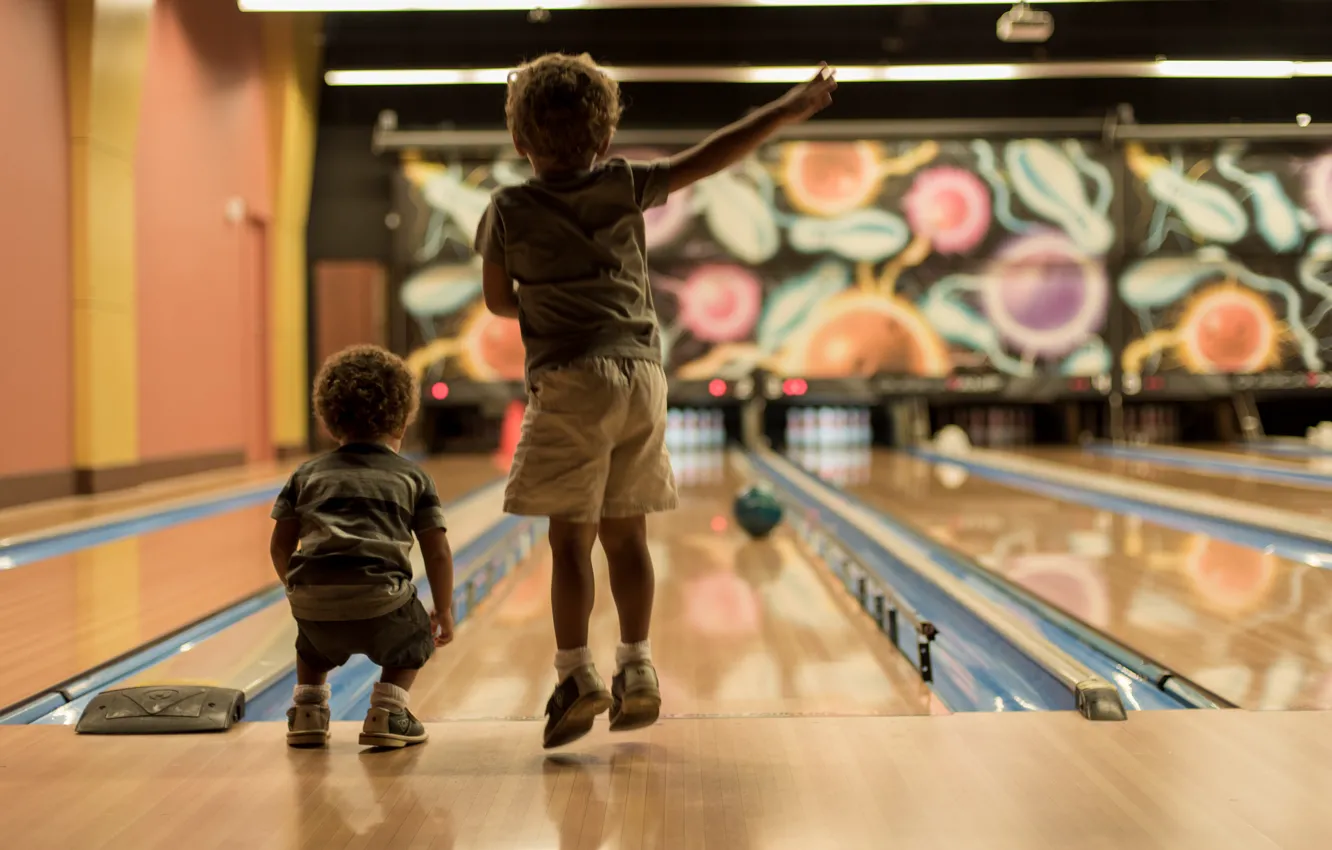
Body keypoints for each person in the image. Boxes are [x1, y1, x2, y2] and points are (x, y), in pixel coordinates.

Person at [474, 53, 837, 748]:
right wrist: (789, 107)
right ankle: (637, 666)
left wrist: (546, 299)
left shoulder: (507, 208)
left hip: (569, 379)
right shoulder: (623, 182)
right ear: (606, 137)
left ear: (519, 140)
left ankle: (575, 675)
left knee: (569, 541)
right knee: (627, 535)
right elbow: (713, 153)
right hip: (642, 376)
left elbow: (497, 300)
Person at [270, 344, 455, 749]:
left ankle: (307, 711)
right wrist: (443, 610)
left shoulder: (305, 474)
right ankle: (388, 711)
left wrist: (296, 587)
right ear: (402, 421)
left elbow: (279, 546)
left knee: (310, 642)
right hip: (382, 606)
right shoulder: (413, 478)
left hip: (314, 608)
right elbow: (438, 552)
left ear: (329, 419)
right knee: (416, 634)